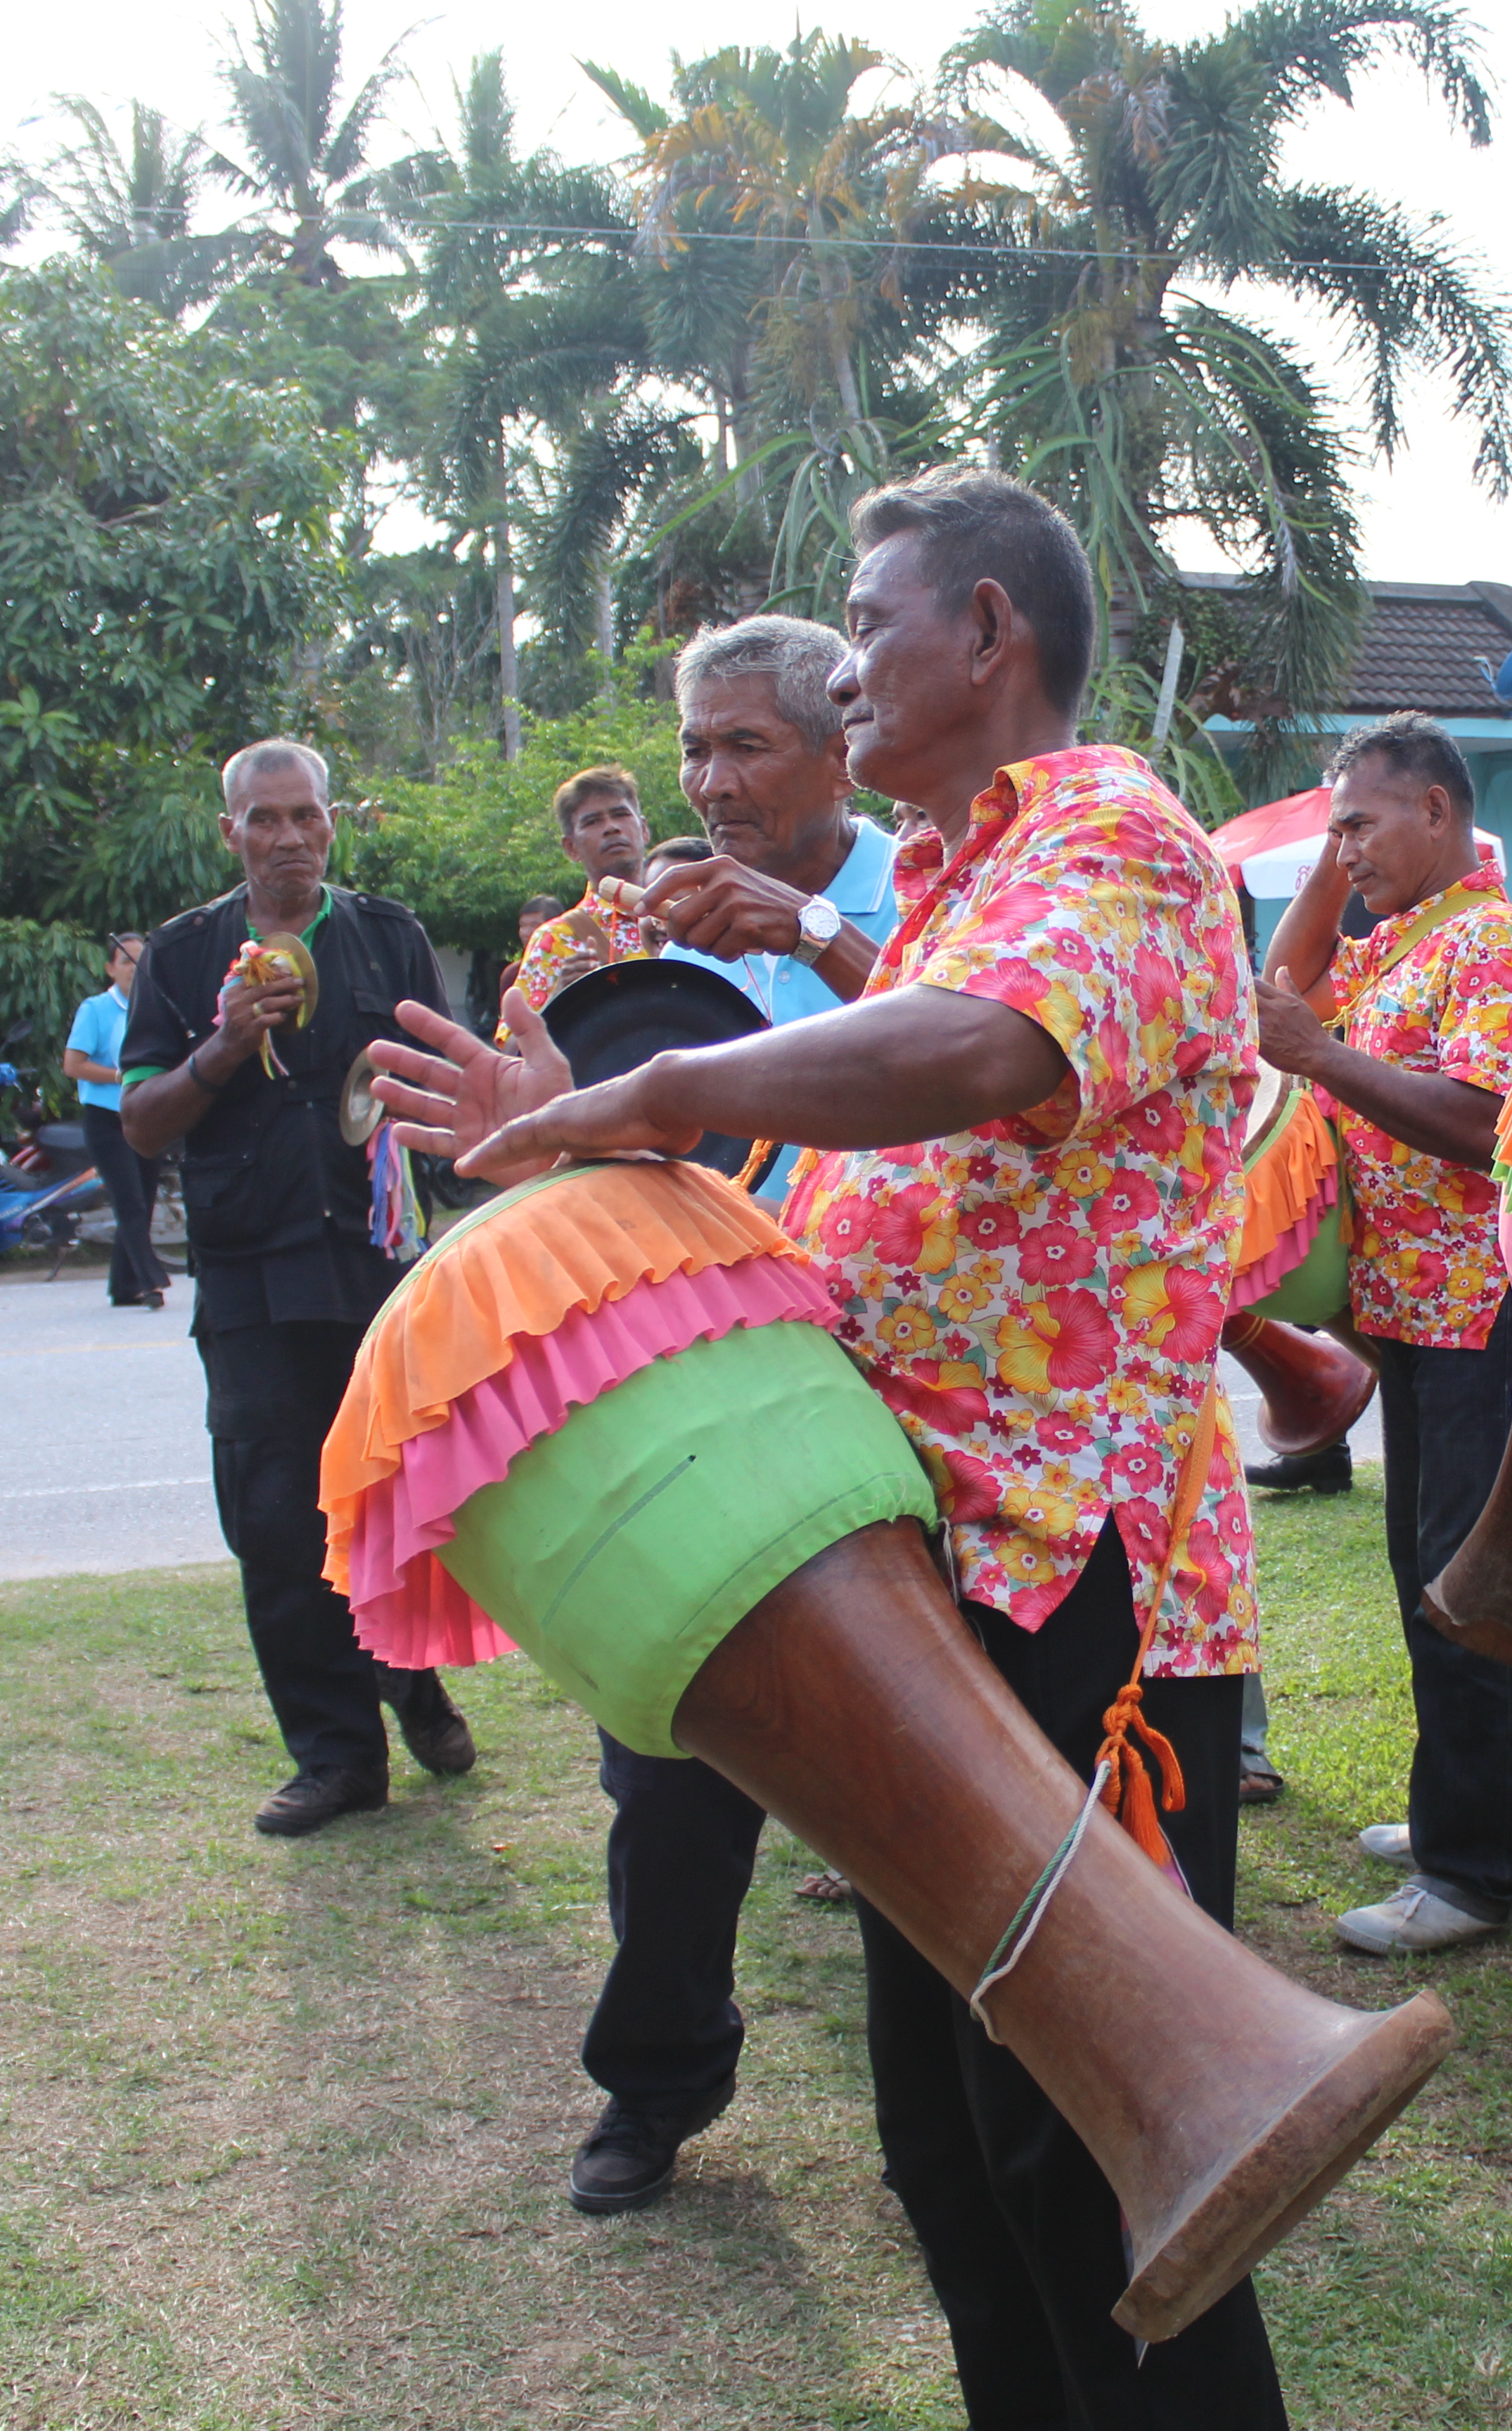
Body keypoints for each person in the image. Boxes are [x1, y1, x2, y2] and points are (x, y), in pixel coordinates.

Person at [371, 465, 1287, 2428]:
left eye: (871, 622)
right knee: (952, 2147)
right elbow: (900, 1117)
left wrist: (657, 1088)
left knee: (1100, 2147)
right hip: (920, 1585)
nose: (846, 666)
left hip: (1081, 1592)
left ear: (990, 633)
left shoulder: (1114, 825)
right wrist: (614, 1118)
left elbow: (979, 1055)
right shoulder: (956, 873)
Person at [533, 613, 905, 2221]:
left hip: (880, 1390)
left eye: (741, 743)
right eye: (692, 746)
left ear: (843, 741)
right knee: (666, 1763)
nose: (707, 780)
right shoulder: (641, 911)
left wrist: (807, 922)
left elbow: (985, 1048)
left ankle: (945, 2133)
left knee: (908, 1775)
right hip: (694, 1376)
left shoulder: (923, 881)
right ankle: (655, 2082)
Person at [118, 739, 478, 1838]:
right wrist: (224, 1049)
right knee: (276, 1520)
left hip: (377, 1268)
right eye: (263, 820)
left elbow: (449, 1081)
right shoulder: (184, 958)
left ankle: (409, 1678)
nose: (287, 838)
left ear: (332, 825)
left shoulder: (389, 936)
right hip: (252, 1278)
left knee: (401, 1502)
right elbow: (140, 1123)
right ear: (229, 832)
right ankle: (336, 1758)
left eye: (305, 817)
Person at [1255, 712, 1512, 1955]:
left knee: (1457, 1592)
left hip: (1480, 1314)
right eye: (1332, 832)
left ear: (1437, 811)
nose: (1343, 853)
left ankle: (1466, 1870)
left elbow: (1489, 1121)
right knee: (1432, 1578)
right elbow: (1282, 987)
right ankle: (1501, 1812)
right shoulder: (1406, 939)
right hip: (1415, 1317)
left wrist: (1323, 1057)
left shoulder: (1489, 939)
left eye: (1361, 824)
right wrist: (1334, 861)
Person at [63, 933, 169, 1310]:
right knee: (130, 1203)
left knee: (145, 1198)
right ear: (111, 968)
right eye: (126, 961)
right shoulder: (96, 1009)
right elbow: (73, 1065)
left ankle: (122, 1287)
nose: (134, 969)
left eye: (141, 961)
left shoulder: (155, 1006)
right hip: (107, 1119)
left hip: (146, 1115)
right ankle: (151, 1284)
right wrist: (123, 1076)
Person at [501, 769, 653, 1029]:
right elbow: (513, 1050)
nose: (611, 828)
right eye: (593, 822)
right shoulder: (557, 939)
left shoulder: (686, 915)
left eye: (621, 814)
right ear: (571, 848)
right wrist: (562, 996)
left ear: (644, 829)